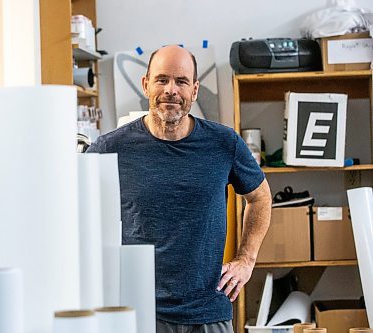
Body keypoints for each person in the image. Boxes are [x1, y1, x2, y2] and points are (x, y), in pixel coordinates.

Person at [87, 45, 272, 333]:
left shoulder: (224, 143)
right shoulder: (109, 148)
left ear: (195, 90)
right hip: (140, 313)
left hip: (208, 311)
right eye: (162, 79)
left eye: (181, 81)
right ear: (146, 85)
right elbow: (78, 211)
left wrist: (246, 259)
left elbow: (260, 198)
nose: (171, 90)